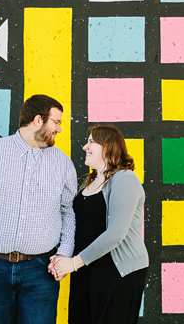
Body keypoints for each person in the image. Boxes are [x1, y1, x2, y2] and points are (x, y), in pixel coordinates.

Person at [0, 94, 77, 324]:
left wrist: (64, 254)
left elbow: (67, 211)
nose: (59, 129)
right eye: (56, 122)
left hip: (41, 271)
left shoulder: (63, 163)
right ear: (38, 120)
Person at [49, 125, 148, 324]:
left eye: (92, 142)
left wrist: (73, 263)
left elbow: (116, 234)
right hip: (86, 268)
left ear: (108, 146)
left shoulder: (124, 179)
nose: (85, 147)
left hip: (116, 271)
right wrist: (62, 259)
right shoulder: (90, 183)